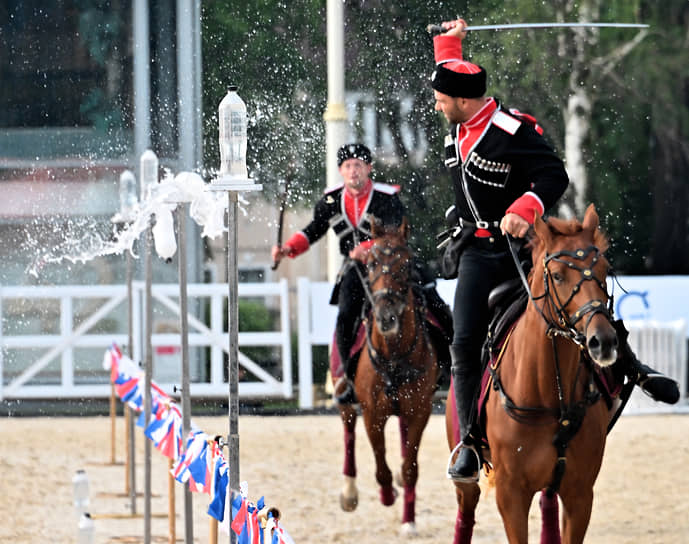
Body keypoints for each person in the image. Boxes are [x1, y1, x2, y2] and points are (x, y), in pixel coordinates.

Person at [429, 19, 680, 483]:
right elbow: (448, 71)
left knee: (576, 309)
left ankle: (632, 369)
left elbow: (554, 177)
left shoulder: (511, 130)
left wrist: (525, 207)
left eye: (442, 99)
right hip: (476, 253)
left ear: (463, 101)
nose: (437, 105)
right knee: (464, 343)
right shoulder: (459, 110)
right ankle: (467, 443)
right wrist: (451, 39)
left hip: (523, 250)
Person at [272, 143, 453, 405]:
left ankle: (452, 358)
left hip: (391, 262)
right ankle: (346, 378)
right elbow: (312, 231)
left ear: (368, 168)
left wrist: (367, 247)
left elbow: (395, 229)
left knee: (430, 296)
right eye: (347, 166)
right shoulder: (330, 201)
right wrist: (288, 248)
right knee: (346, 314)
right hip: (357, 270)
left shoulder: (386, 197)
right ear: (340, 171)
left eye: (358, 165)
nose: (353, 170)